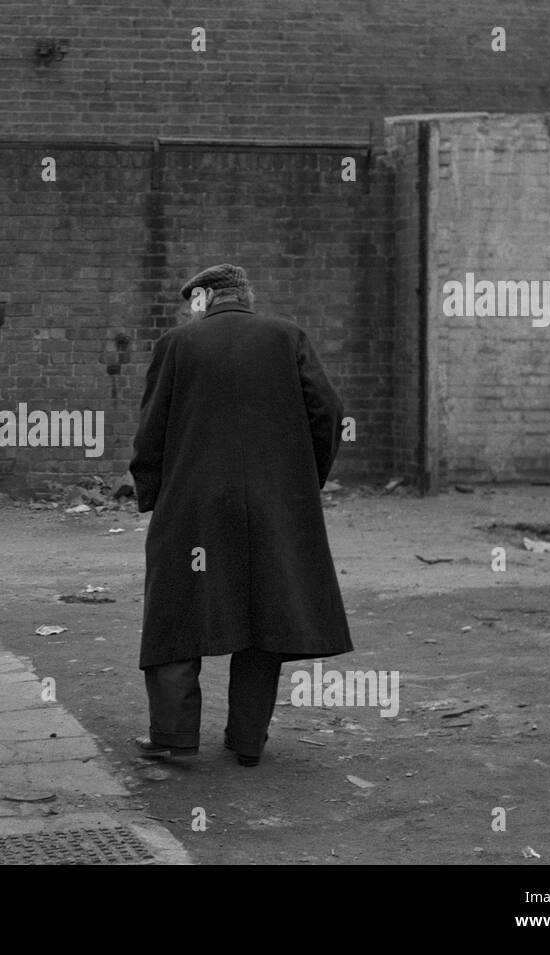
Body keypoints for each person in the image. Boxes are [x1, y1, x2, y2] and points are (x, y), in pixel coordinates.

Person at [129, 263, 352, 767]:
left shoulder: (176, 346)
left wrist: (153, 495)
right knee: (264, 616)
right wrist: (301, 481)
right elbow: (329, 413)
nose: (190, 311)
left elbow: (152, 431)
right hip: (276, 506)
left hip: (193, 505)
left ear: (205, 296)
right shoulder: (288, 337)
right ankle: (247, 740)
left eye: (192, 301)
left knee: (176, 613)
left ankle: (173, 736)